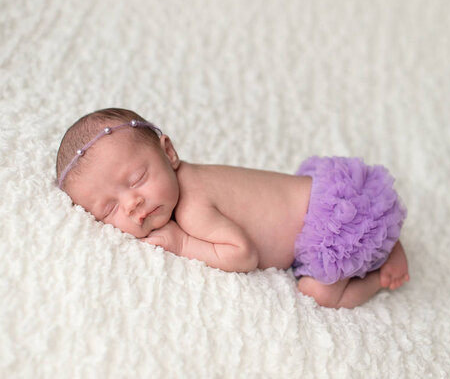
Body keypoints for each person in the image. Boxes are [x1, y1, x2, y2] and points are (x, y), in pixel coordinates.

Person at [56, 108, 409, 309]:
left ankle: (379, 273)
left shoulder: (193, 205)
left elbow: (244, 255)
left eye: (136, 179)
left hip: (332, 222)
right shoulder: (190, 179)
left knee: (318, 296)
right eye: (109, 209)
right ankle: (384, 239)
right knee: (361, 229)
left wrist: (181, 244)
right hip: (331, 195)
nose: (132, 203)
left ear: (169, 152)